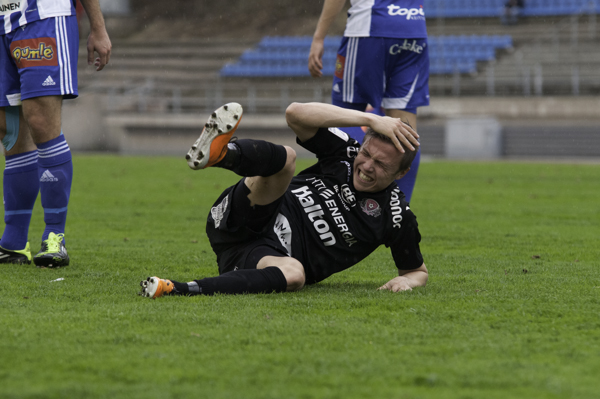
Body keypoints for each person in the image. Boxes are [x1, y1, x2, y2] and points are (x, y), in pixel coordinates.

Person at [139, 102, 428, 299]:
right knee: (286, 158)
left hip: (258, 258)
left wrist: (408, 281)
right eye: (367, 154)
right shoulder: (346, 153)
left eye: (381, 165)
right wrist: (369, 118)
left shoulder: (396, 214)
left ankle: (178, 289)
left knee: (295, 274)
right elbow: (295, 114)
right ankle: (222, 155)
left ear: (401, 173)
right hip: (244, 213)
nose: (366, 166)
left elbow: (416, 271)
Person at [0, 0, 111, 267]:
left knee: (41, 122)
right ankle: (13, 243)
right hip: (2, 18)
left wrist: (98, 26)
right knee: (8, 130)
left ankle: (54, 236)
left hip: (44, 15)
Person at [308, 0, 430, 203]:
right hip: (413, 28)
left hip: (371, 27)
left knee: (344, 115)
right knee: (407, 128)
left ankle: (341, 205)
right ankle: (398, 211)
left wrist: (319, 37)